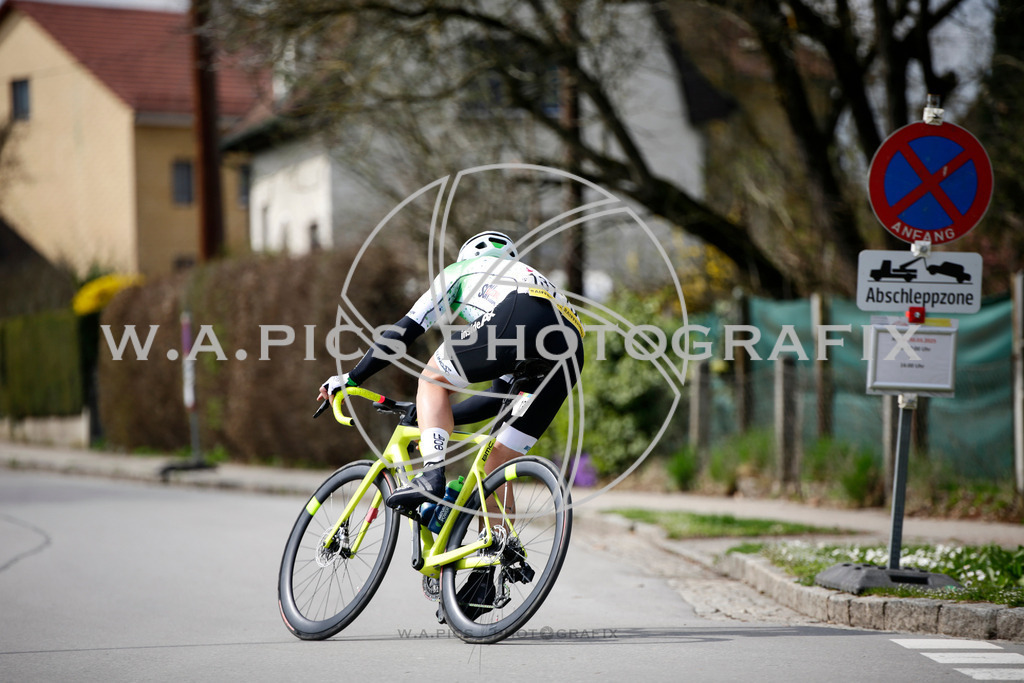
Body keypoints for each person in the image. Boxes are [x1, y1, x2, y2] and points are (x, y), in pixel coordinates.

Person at [317, 230, 585, 511]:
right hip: (570, 345)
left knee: (431, 377)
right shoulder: (529, 276)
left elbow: (406, 329)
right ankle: (499, 548)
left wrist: (352, 377)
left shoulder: (461, 270)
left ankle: (431, 475)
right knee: (495, 463)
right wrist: (435, 415)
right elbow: (498, 400)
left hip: (519, 314)